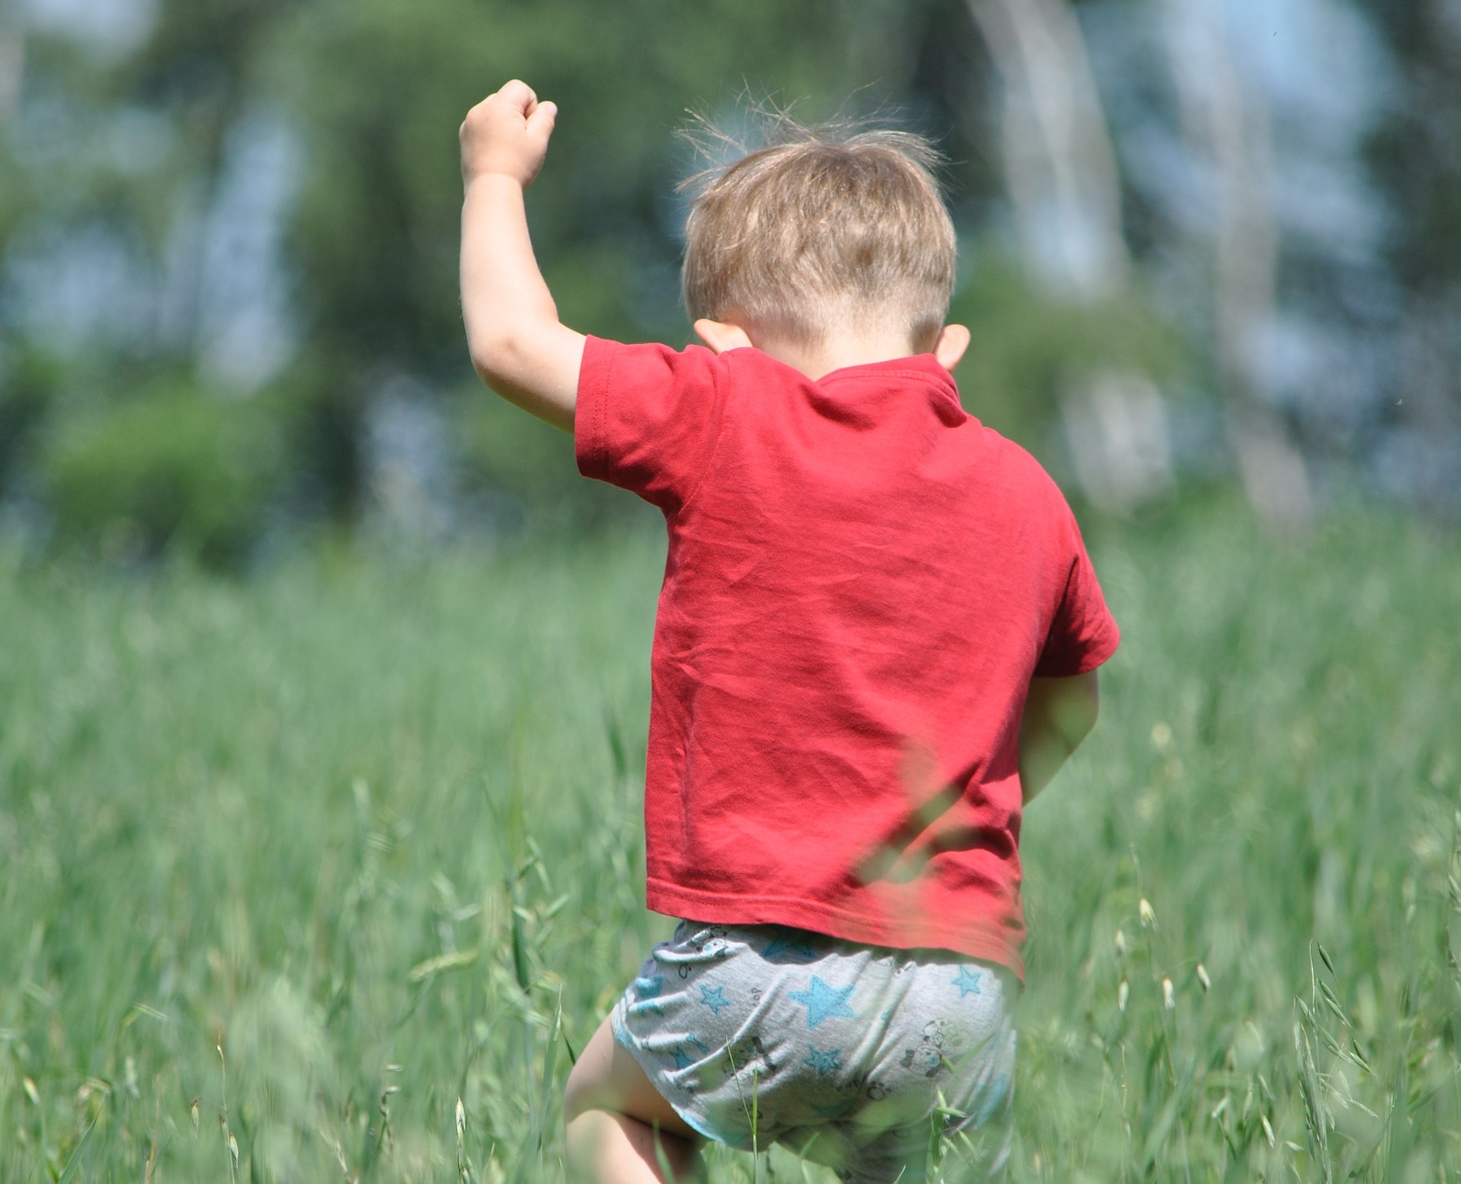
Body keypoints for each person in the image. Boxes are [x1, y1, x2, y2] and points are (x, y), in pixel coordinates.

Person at [459, 80, 1119, 1183]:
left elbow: (513, 346)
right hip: (957, 990)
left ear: (723, 343)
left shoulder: (726, 408)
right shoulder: (1027, 490)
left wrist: (494, 176)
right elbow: (1074, 698)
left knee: (607, 1111)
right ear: (944, 350)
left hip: (759, 963)